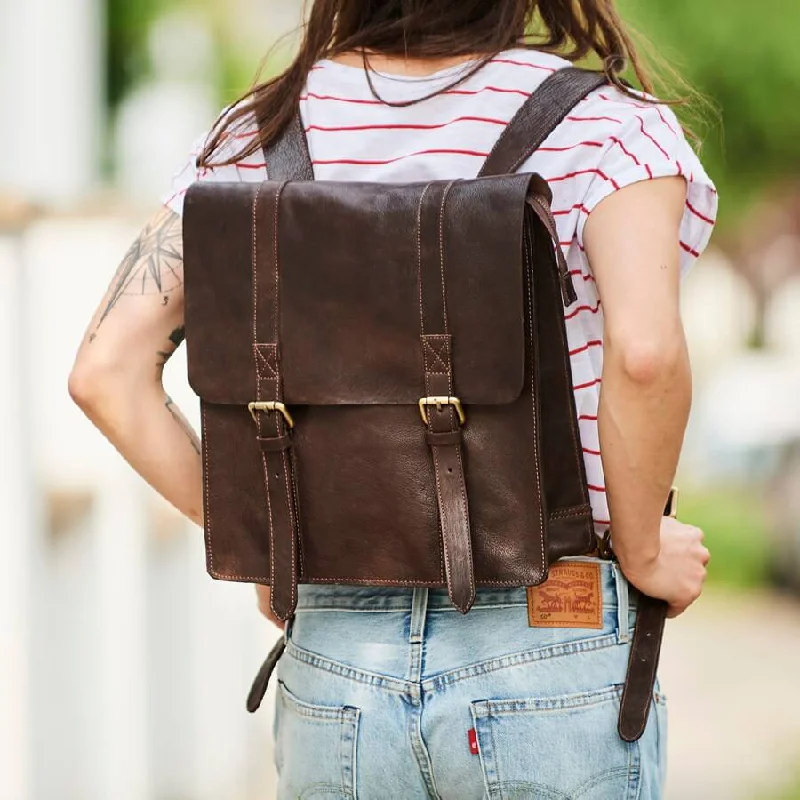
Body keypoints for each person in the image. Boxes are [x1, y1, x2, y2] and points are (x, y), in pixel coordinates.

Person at [69, 1, 715, 797]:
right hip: (549, 630)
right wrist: (646, 547)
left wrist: (278, 543)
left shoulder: (257, 133)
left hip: (338, 662)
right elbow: (645, 358)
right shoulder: (609, 127)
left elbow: (105, 371)